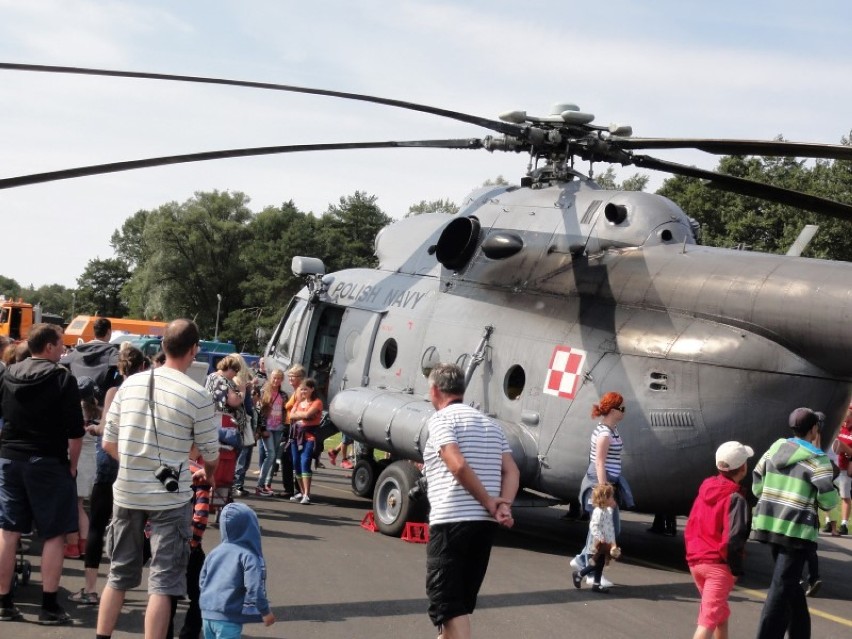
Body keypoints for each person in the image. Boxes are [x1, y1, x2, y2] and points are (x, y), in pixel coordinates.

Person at [96, 319, 220, 639]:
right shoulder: (197, 394)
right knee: (163, 583)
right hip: (171, 494)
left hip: (127, 490)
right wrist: (208, 473)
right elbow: (210, 452)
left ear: (162, 346)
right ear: (194, 350)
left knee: (118, 575)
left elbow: (109, 443)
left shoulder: (130, 384)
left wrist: (139, 463)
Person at [423, 363, 520, 639]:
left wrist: (490, 500)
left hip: (452, 521)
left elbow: (457, 464)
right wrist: (504, 505)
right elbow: (512, 470)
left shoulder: (442, 420)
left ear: (434, 390)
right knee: (459, 604)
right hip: (483, 526)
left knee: (446, 602)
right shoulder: (490, 424)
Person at [0, 323, 84, 625]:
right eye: (61, 343)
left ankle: (4, 601)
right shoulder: (62, 378)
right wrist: (72, 466)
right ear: (48, 346)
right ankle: (48, 606)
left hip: (9, 458)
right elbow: (76, 433)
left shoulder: (8, 373)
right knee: (53, 534)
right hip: (46, 460)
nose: (64, 348)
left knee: (8, 531)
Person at [752, 407, 839, 639]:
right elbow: (829, 501)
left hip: (770, 524)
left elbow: (757, 483)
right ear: (814, 429)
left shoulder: (774, 449)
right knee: (781, 588)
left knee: (790, 584)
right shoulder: (817, 459)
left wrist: (774, 496)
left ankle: (800, 633)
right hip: (796, 530)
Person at [69, 346, 147, 606]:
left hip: (109, 461)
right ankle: (120, 585)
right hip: (135, 463)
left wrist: (94, 428)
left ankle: (91, 589)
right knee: (131, 525)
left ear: (120, 367)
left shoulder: (115, 392)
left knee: (98, 524)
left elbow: (106, 428)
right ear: (142, 367)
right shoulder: (148, 393)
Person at [684, 441, 753, 639]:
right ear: (743, 468)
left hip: (696, 560)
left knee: (719, 613)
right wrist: (736, 567)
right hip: (718, 564)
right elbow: (733, 538)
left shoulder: (705, 489)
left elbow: (692, 525)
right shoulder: (735, 498)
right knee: (707, 622)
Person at [570, 391, 634, 588]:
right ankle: (590, 572)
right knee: (602, 530)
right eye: (622, 408)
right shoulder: (605, 433)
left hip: (608, 482)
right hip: (599, 484)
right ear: (614, 410)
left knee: (609, 528)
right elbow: (599, 462)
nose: (624, 412)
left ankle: (583, 561)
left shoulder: (611, 430)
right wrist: (605, 492)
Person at [199, 502, 274, 637]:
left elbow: (203, 581)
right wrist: (265, 611)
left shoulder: (214, 552)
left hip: (207, 615)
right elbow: (254, 588)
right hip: (229, 618)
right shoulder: (248, 556)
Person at [64, 376, 101, 560]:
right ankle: (84, 543)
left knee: (71, 507)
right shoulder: (97, 411)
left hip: (76, 460)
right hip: (90, 462)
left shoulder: (74, 409)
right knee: (79, 505)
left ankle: (72, 545)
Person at [571, 483, 620, 594]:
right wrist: (600, 537)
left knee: (601, 563)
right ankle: (579, 574)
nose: (613, 499)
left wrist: (612, 543)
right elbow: (593, 526)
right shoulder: (598, 512)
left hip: (605, 542)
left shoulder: (608, 511)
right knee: (596, 563)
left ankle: (596, 584)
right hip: (598, 543)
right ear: (604, 499)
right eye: (611, 497)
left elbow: (610, 528)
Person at [61, 317, 121, 405]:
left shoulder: (77, 351)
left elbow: (60, 364)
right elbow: (126, 367)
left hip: (76, 402)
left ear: (94, 332)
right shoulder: (112, 352)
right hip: (101, 404)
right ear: (109, 332)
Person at [288, 378, 323, 504]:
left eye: (305, 389)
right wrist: (301, 415)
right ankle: (302, 493)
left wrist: (299, 415)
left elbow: (308, 415)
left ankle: (307, 494)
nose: (303, 392)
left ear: (312, 389)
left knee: (305, 462)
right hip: (296, 436)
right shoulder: (298, 402)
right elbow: (290, 416)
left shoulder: (317, 402)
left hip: (309, 437)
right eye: (301, 389)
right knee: (296, 463)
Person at [255, 368, 287, 496]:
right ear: (270, 378)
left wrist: (284, 425)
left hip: (278, 428)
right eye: (274, 378)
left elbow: (284, 411)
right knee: (271, 454)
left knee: (273, 457)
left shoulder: (283, 395)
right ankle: (260, 485)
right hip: (267, 427)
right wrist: (262, 429)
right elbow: (260, 411)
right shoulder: (264, 392)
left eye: (279, 378)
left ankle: (267, 484)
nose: (276, 380)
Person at [827, 402, 852, 536]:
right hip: (833, 465)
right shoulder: (838, 427)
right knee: (828, 493)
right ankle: (828, 522)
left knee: (844, 495)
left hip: (844, 467)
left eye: (846, 420)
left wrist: (845, 448)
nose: (844, 423)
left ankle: (843, 524)